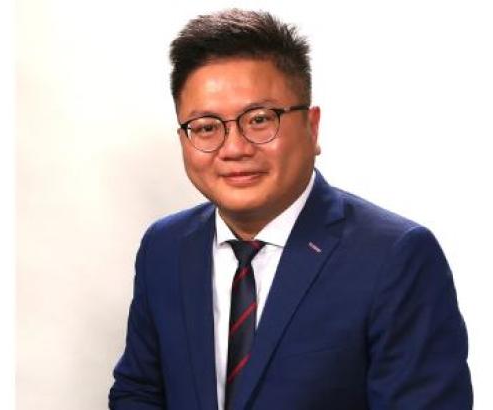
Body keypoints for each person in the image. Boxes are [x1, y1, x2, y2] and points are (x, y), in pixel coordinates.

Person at [110, 9, 472, 410]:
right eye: (207, 127)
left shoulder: (395, 257)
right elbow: (138, 392)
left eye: (261, 119)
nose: (234, 149)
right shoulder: (165, 247)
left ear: (312, 127)